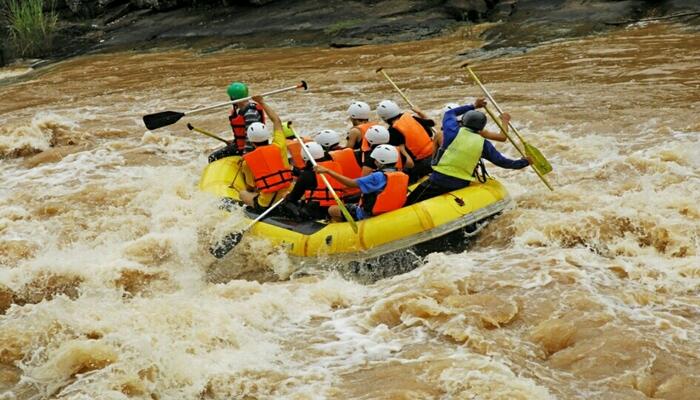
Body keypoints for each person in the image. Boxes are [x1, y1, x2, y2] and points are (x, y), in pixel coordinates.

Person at [407, 109, 530, 205]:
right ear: (481, 127)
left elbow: (450, 113)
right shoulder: (483, 143)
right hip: (461, 183)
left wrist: (474, 105)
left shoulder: (450, 132)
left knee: (410, 201)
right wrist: (524, 162)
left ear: (463, 121)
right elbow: (503, 162)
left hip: (438, 180)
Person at [316, 144, 409, 222]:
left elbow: (351, 184)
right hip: (390, 209)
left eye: (375, 159)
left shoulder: (378, 177)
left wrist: (327, 171)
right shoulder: (401, 174)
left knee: (332, 210)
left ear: (380, 162)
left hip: (367, 214)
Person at [239, 96, 293, 211]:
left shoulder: (247, 161)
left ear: (251, 140)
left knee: (243, 194)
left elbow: (251, 187)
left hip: (267, 204)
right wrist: (261, 102)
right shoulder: (279, 145)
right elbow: (276, 121)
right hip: (288, 196)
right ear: (267, 136)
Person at [376, 100, 435, 182]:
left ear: (384, 118)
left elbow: (408, 162)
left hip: (422, 164)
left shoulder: (393, 131)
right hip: (436, 155)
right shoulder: (411, 117)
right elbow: (432, 122)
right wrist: (419, 112)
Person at [283, 142, 345, 220]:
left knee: (287, 202)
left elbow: (293, 197)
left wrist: (287, 196)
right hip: (336, 206)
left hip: (317, 212)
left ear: (304, 158)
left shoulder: (306, 175)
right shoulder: (335, 166)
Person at [433, 98, 505, 164]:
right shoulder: (478, 131)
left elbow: (433, 156)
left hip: (445, 169)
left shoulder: (440, 135)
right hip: (468, 169)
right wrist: (505, 121)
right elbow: (502, 137)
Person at [208, 82, 266, 163]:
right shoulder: (240, 110)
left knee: (212, 158)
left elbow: (250, 138)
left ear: (233, 98)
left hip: (250, 149)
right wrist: (235, 141)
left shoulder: (250, 113)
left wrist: (245, 156)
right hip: (241, 146)